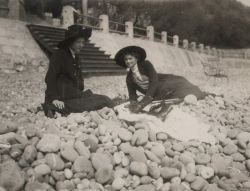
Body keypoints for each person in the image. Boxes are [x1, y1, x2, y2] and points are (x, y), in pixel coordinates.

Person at [43, 24, 114, 118]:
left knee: (102, 99)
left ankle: (57, 107)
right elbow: (50, 78)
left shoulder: (75, 56)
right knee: (100, 101)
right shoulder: (59, 55)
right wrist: (54, 98)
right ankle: (52, 107)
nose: (81, 45)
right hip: (60, 96)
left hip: (72, 94)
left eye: (83, 42)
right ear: (70, 42)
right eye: (78, 42)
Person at [115, 46, 207, 113]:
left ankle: (197, 94)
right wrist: (133, 104)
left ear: (136, 58)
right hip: (154, 93)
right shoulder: (129, 78)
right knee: (161, 101)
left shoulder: (146, 64)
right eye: (126, 59)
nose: (128, 61)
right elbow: (132, 94)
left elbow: (154, 81)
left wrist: (146, 99)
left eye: (130, 58)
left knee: (179, 86)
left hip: (162, 83)